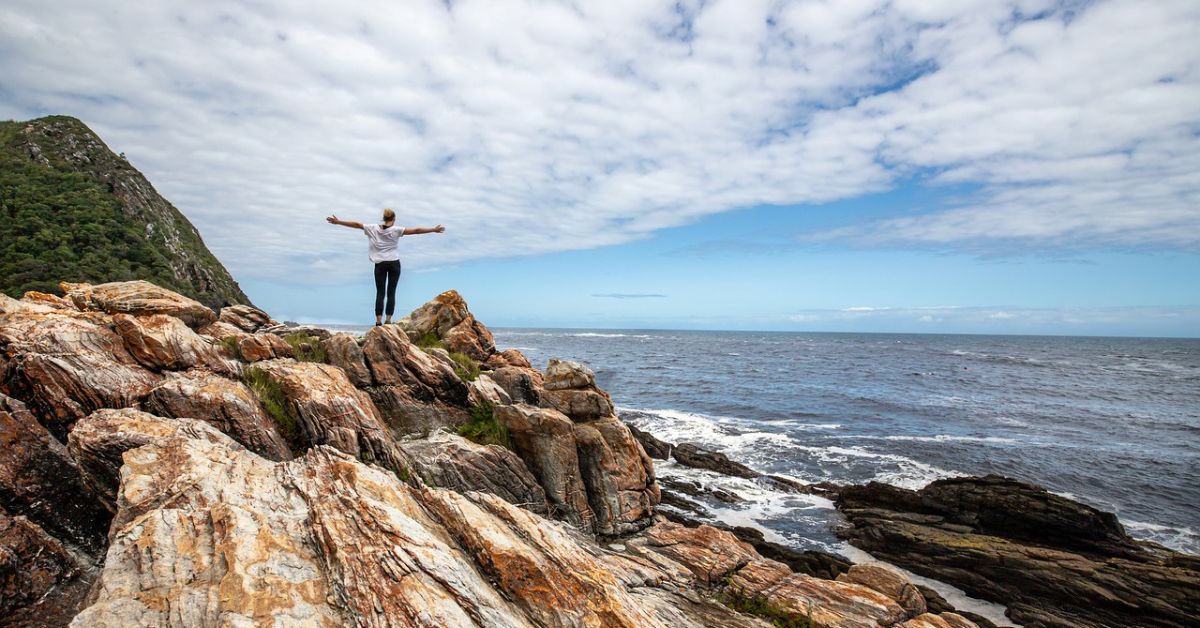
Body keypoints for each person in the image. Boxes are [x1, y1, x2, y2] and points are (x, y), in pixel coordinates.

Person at [326, 208, 445, 326]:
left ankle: (378, 321)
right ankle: (388, 320)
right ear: (393, 219)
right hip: (394, 263)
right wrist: (433, 229)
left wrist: (339, 222)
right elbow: (416, 230)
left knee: (380, 293)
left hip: (380, 264)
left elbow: (357, 224)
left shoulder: (373, 228)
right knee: (391, 292)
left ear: (384, 218)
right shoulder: (397, 230)